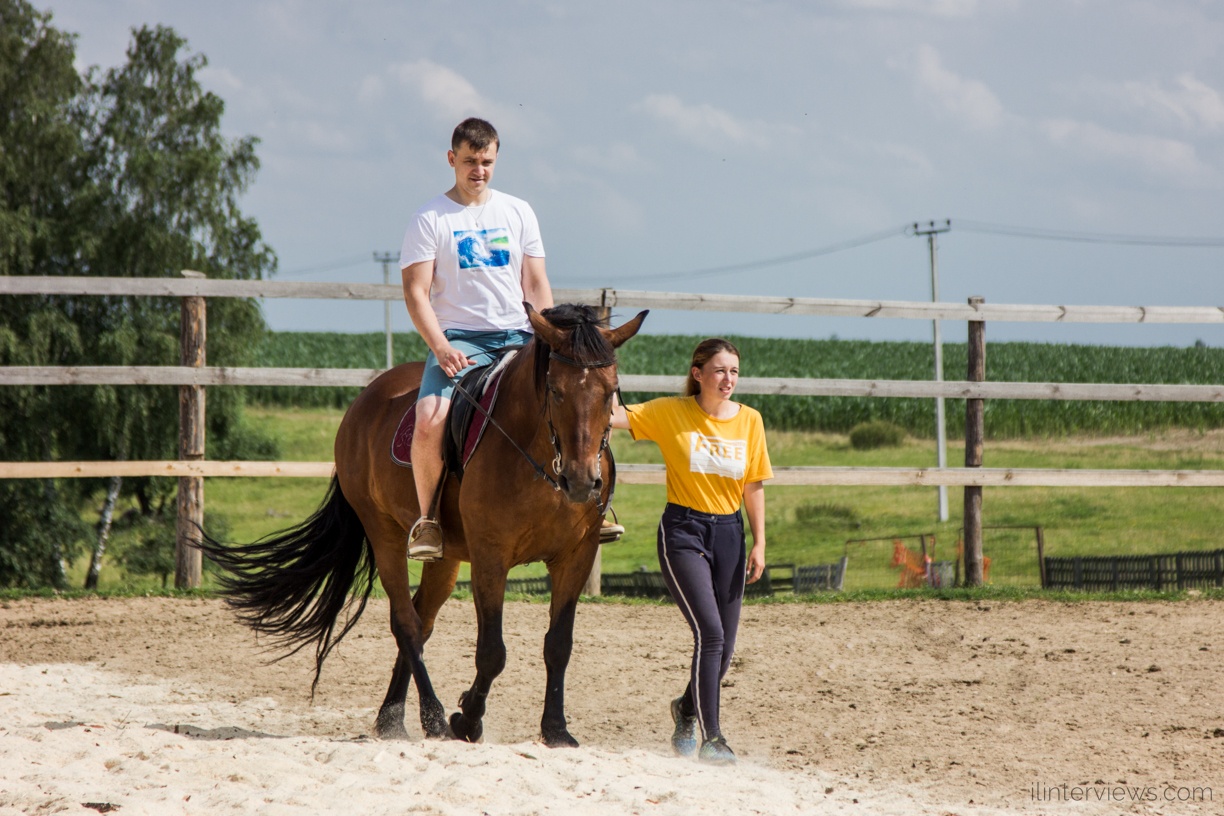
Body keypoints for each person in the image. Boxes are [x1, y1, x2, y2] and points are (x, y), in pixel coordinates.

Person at [610, 338, 773, 765]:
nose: (728, 379)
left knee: (725, 647)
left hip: (730, 534)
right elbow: (612, 416)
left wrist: (760, 541)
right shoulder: (670, 412)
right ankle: (712, 738)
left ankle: (685, 710)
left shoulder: (750, 421)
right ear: (698, 373)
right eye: (720, 370)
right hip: (683, 532)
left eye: (734, 372)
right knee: (711, 634)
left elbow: (753, 483)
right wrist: (597, 374)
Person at [400, 117, 553, 561]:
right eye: (470, 161)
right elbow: (415, 292)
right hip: (460, 341)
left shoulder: (519, 211)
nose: (478, 170)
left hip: (519, 335)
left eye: (486, 162)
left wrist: (546, 338)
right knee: (429, 417)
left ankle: (591, 506)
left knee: (575, 399)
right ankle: (427, 521)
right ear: (452, 159)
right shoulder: (429, 218)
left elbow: (537, 283)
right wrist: (440, 347)